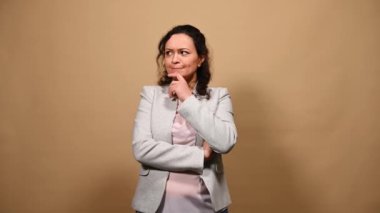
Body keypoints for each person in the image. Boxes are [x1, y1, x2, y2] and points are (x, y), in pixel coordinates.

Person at [131, 24, 237, 213]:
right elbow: (142, 149)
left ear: (201, 59)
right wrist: (200, 155)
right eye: (169, 53)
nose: (174, 59)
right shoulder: (151, 95)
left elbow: (225, 142)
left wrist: (187, 98)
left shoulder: (219, 96)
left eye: (183, 52)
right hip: (157, 204)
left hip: (206, 203)